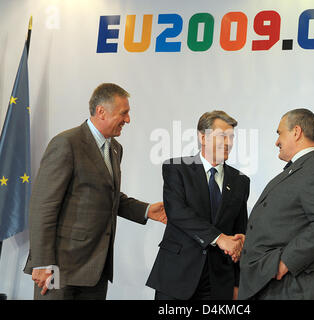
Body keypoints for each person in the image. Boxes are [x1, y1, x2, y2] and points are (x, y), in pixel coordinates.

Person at [23, 83, 167, 300]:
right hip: (59, 268)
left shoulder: (115, 148)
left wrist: (146, 210)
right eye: (124, 113)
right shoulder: (66, 143)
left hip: (95, 270)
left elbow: (107, 196)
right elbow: (43, 206)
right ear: (101, 111)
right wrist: (42, 262)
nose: (128, 120)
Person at [238, 108, 314, 300]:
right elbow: (290, 223)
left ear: (296, 132)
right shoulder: (297, 170)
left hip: (295, 286)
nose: (277, 141)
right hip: (278, 285)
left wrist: (285, 262)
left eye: (280, 133)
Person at [146, 110, 249, 300]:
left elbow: (239, 231)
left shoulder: (241, 181)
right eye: (222, 136)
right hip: (177, 276)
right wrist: (219, 238)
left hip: (219, 282)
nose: (228, 143)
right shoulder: (176, 168)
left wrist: (237, 283)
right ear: (203, 137)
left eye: (231, 137)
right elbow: (177, 213)